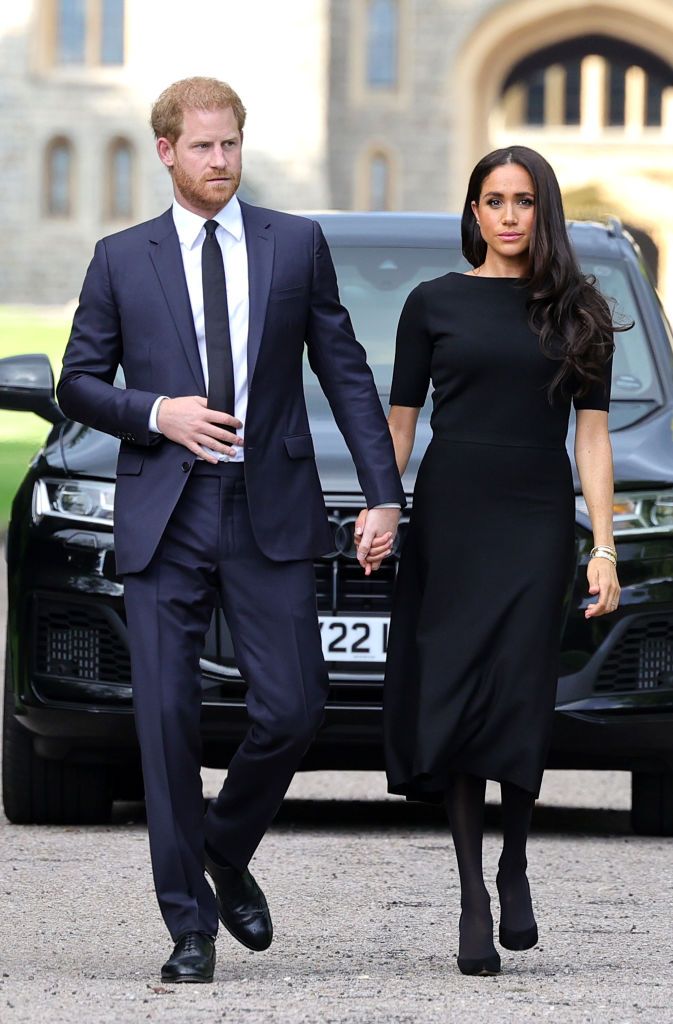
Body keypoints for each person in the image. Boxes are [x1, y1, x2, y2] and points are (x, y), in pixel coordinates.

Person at [57, 77, 403, 983]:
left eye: (231, 145)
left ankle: (220, 842)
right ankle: (189, 929)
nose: (220, 161)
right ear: (166, 151)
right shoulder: (120, 259)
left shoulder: (295, 245)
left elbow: (347, 373)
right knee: (165, 722)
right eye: (203, 146)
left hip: (268, 506)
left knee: (293, 707)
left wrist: (383, 493)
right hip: (164, 514)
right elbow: (78, 382)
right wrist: (158, 412)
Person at [359, 145, 623, 976]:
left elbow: (591, 434)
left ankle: (514, 862)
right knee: (457, 694)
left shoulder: (578, 308)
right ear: (472, 212)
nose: (507, 215)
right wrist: (381, 505)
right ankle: (473, 891)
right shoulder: (430, 303)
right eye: (491, 200)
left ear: (541, 209)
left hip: (534, 521)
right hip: (451, 520)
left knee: (514, 692)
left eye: (521, 201)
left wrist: (603, 546)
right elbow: (399, 423)